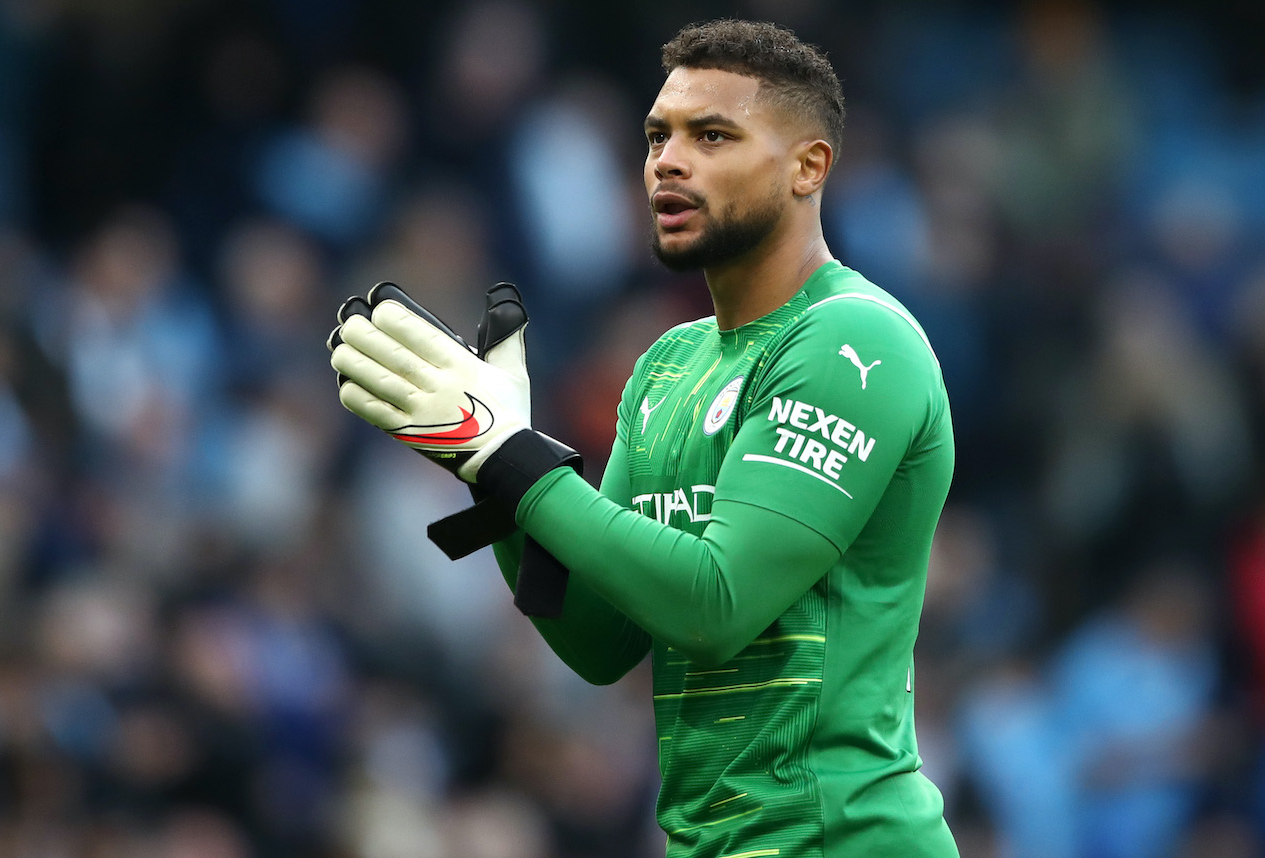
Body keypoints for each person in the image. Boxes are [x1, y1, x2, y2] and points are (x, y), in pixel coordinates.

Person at [329, 19, 958, 858]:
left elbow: (715, 604)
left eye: (712, 135)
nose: (668, 159)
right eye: (658, 135)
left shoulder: (855, 343)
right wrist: (487, 472)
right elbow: (600, 639)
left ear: (809, 166)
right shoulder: (668, 363)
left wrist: (511, 458)